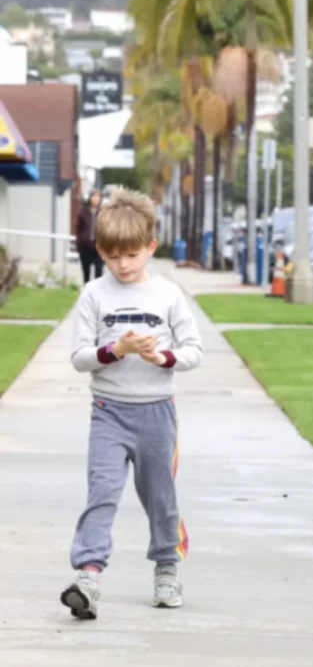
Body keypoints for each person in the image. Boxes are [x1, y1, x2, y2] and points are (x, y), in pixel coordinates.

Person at [60, 189, 203, 619]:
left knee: (161, 497)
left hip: (157, 414)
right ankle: (87, 576)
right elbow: (80, 357)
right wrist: (116, 350)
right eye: (113, 256)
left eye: (133, 255)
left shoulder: (168, 295)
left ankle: (166, 568)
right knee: (101, 494)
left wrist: (162, 357)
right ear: (100, 251)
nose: (123, 265)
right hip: (108, 412)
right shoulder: (93, 295)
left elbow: (194, 351)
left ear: (151, 248)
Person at [76, 191, 104, 284]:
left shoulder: (103, 213)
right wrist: (79, 243)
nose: (96, 199)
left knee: (98, 271)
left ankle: (97, 294)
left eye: (98, 197)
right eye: (94, 196)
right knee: (86, 272)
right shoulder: (83, 212)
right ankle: (86, 293)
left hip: (99, 247)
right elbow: (78, 229)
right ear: (90, 198)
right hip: (85, 247)